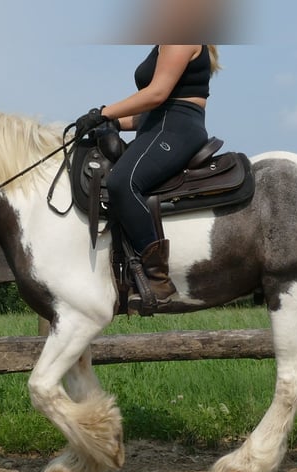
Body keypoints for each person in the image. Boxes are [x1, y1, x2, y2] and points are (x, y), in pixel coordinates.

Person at [74, 44, 220, 305]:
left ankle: (158, 279)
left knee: (122, 181)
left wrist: (103, 112)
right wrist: (112, 123)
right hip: (157, 125)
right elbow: (146, 115)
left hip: (175, 128)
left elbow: (157, 94)